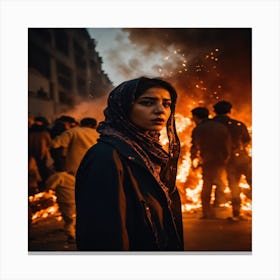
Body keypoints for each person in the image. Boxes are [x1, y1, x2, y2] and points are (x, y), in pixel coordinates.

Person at [75, 77, 183, 251]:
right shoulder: (105, 157)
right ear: (123, 107)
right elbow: (103, 234)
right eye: (147, 103)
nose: (160, 110)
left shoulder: (151, 153)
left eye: (167, 104)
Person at [213, 100, 252, 221]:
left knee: (233, 185)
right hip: (242, 158)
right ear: (230, 111)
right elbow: (247, 140)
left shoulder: (212, 125)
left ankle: (236, 212)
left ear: (215, 111)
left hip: (225, 159)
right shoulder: (238, 124)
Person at [190, 107, 231, 219]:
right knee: (220, 183)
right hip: (221, 160)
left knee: (207, 185)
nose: (192, 119)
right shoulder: (220, 127)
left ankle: (207, 212)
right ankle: (218, 207)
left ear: (196, 117)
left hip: (208, 161)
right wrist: (226, 158)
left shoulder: (199, 129)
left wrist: (193, 160)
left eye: (193, 117)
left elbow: (194, 147)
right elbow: (227, 144)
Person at [45, 171, 76, 243]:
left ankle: (71, 235)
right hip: (72, 199)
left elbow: (51, 186)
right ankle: (72, 233)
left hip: (65, 200)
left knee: (69, 219)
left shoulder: (59, 176)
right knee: (72, 218)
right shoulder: (72, 178)